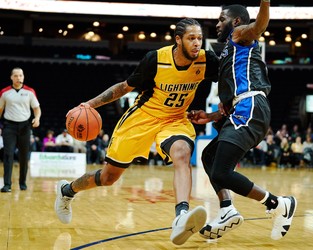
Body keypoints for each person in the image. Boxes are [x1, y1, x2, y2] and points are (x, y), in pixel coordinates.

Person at [54, 18, 219, 246]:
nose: (197, 43)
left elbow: (230, 81)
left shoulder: (206, 61)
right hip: (142, 119)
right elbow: (124, 87)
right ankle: (66, 190)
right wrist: (89, 105)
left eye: (200, 38)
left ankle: (181, 216)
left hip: (174, 120)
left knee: (182, 154)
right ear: (178, 40)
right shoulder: (156, 60)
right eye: (191, 38)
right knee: (108, 177)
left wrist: (217, 113)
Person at [188, 2, 297, 241]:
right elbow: (231, 100)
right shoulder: (228, 52)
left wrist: (265, 2)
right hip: (241, 108)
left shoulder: (240, 35)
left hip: (252, 107)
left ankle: (278, 203)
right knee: (209, 157)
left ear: (235, 21)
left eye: (221, 19)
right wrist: (210, 116)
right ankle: (227, 208)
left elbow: (259, 26)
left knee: (221, 171)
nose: (217, 24)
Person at [0, 67, 41, 192]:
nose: (19, 78)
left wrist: (37, 118)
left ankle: (22, 183)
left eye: (21, 75)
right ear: (11, 77)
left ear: (23, 77)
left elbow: (36, 109)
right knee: (8, 155)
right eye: (16, 76)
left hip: (24, 126)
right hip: (9, 127)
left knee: (23, 156)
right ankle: (7, 184)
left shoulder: (30, 91)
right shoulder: (5, 92)